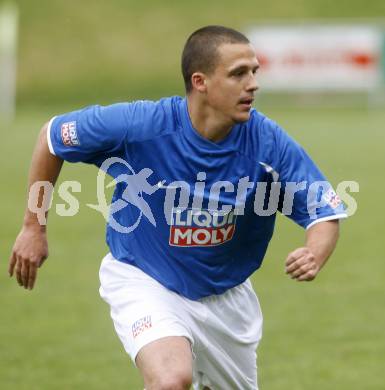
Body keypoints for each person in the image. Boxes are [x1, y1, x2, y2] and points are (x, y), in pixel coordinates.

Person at [9, 25, 347, 389]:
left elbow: (324, 213)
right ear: (200, 81)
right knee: (171, 380)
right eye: (238, 74)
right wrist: (34, 227)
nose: (253, 84)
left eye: (254, 72)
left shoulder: (268, 144)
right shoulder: (142, 125)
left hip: (227, 300)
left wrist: (315, 252)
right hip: (144, 277)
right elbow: (52, 137)